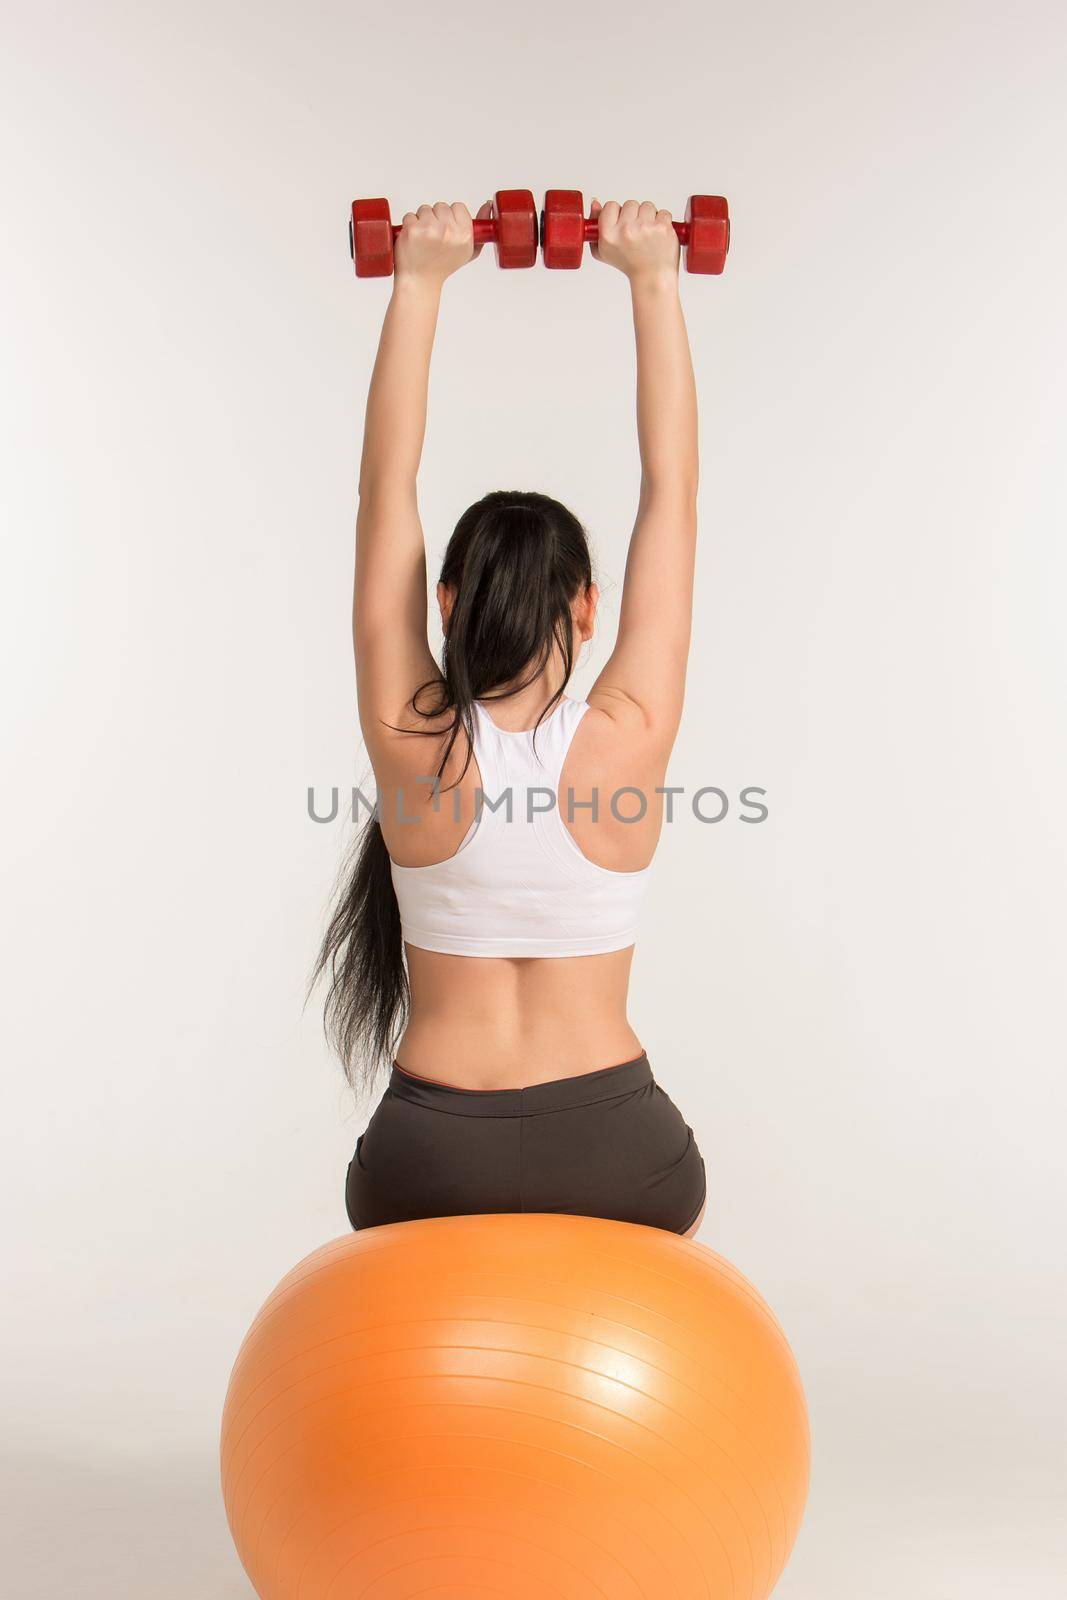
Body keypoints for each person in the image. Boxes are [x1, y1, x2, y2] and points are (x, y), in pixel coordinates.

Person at [314, 198, 708, 1239]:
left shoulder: (413, 737)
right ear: (589, 606)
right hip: (617, 1145)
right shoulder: (629, 727)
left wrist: (418, 283)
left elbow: (380, 489)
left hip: (428, 1154)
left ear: (444, 601)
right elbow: (672, 493)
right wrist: (652, 282)